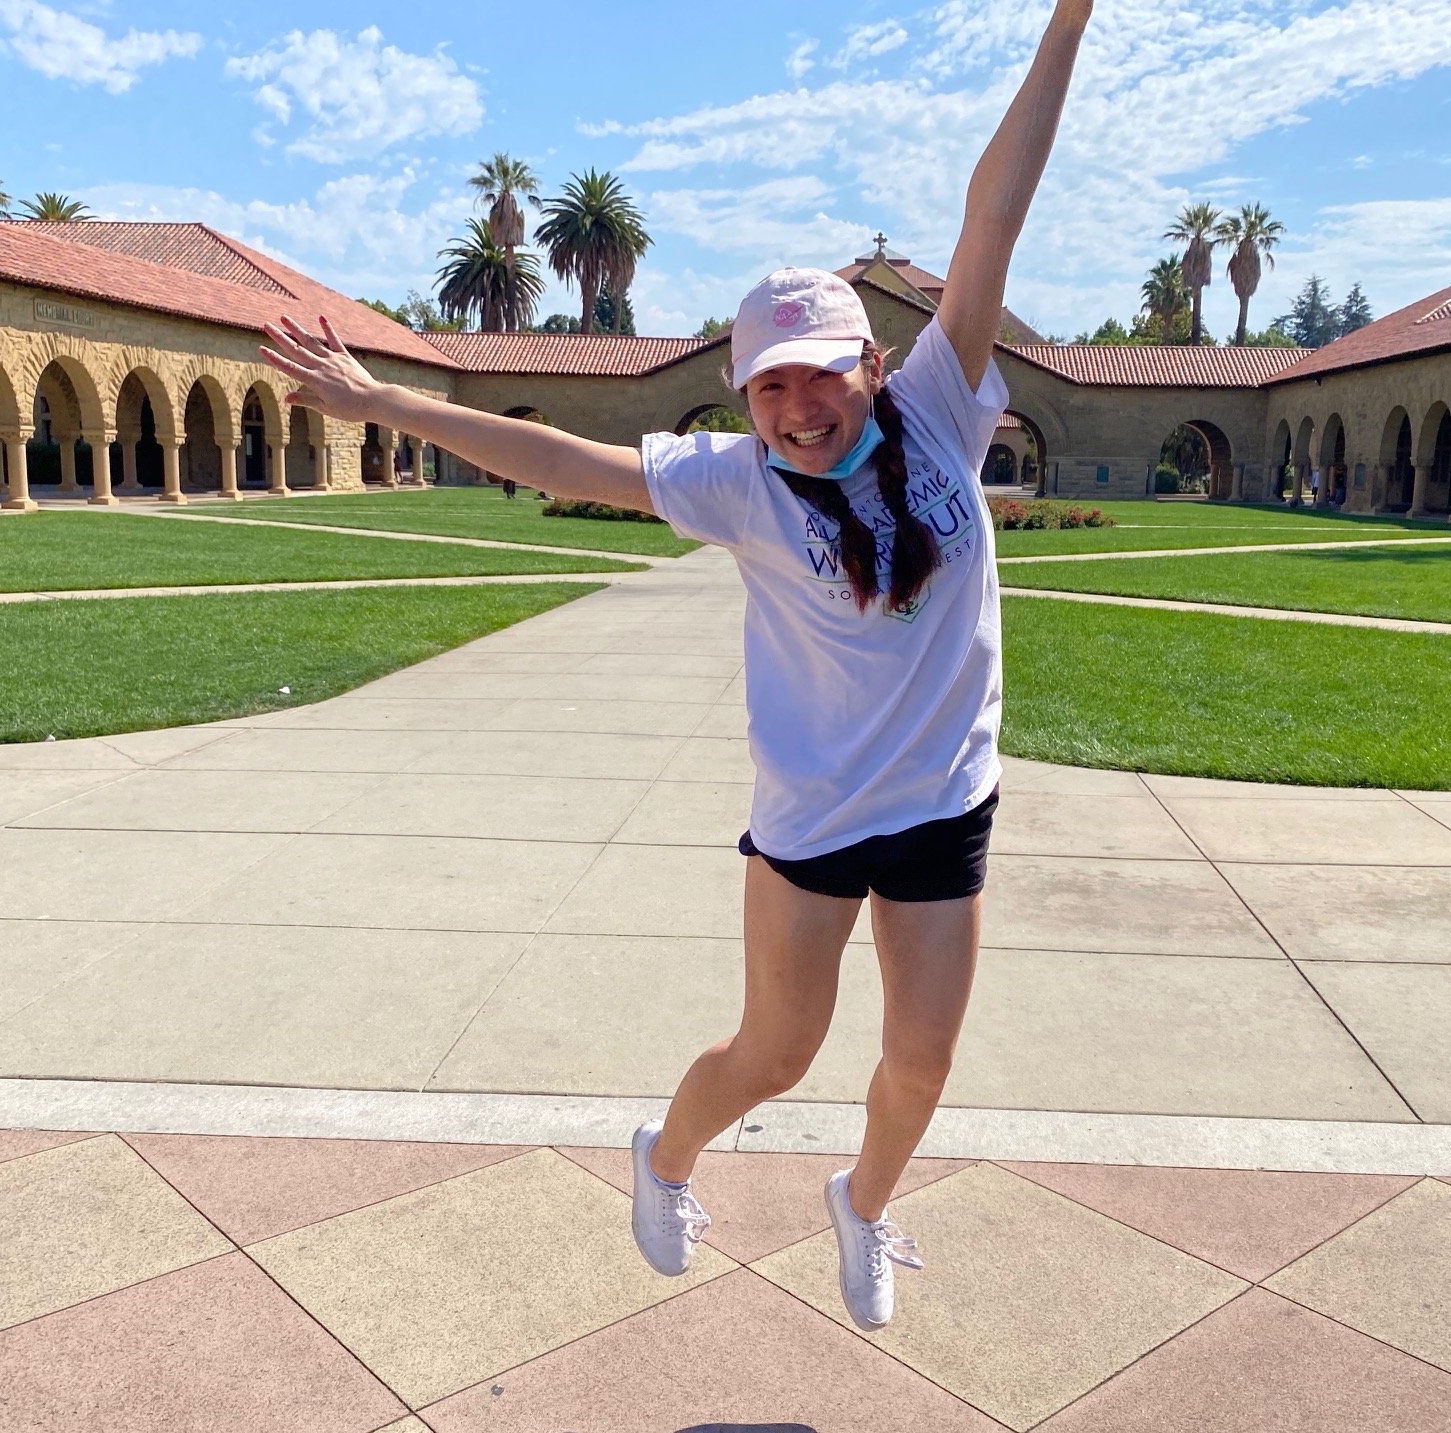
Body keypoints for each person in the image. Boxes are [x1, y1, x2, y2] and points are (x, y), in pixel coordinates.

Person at [261, 0, 1092, 1331]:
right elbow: (561, 462)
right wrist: (389, 401)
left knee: (921, 1061)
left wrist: (1068, 18)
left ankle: (863, 1206)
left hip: (943, 801)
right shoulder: (737, 480)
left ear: (873, 366)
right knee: (776, 1048)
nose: (798, 408)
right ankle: (663, 1155)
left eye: (819, 377)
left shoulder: (943, 399)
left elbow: (995, 210)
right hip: (814, 813)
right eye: (768, 386)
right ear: (741, 392)